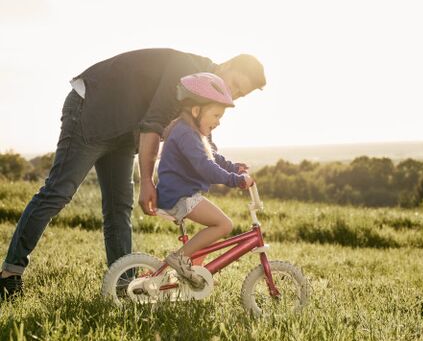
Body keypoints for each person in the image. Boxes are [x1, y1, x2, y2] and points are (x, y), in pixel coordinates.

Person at [1, 48, 265, 299]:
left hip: (124, 132)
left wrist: (230, 166)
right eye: (235, 84)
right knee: (58, 192)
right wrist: (148, 181)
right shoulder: (187, 70)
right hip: (92, 108)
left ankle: (124, 284)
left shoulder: (204, 89)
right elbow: (153, 123)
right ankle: (9, 274)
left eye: (239, 94)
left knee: (118, 207)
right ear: (228, 64)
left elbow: (202, 138)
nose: (232, 93)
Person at [156, 72, 254, 288]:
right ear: (196, 110)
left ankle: (189, 274)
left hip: (181, 193)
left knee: (209, 235)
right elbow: (206, 167)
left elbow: (213, 157)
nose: (218, 122)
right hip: (179, 196)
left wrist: (233, 167)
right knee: (223, 224)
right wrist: (235, 180)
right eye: (216, 115)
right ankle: (179, 259)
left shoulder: (192, 132)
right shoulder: (185, 134)